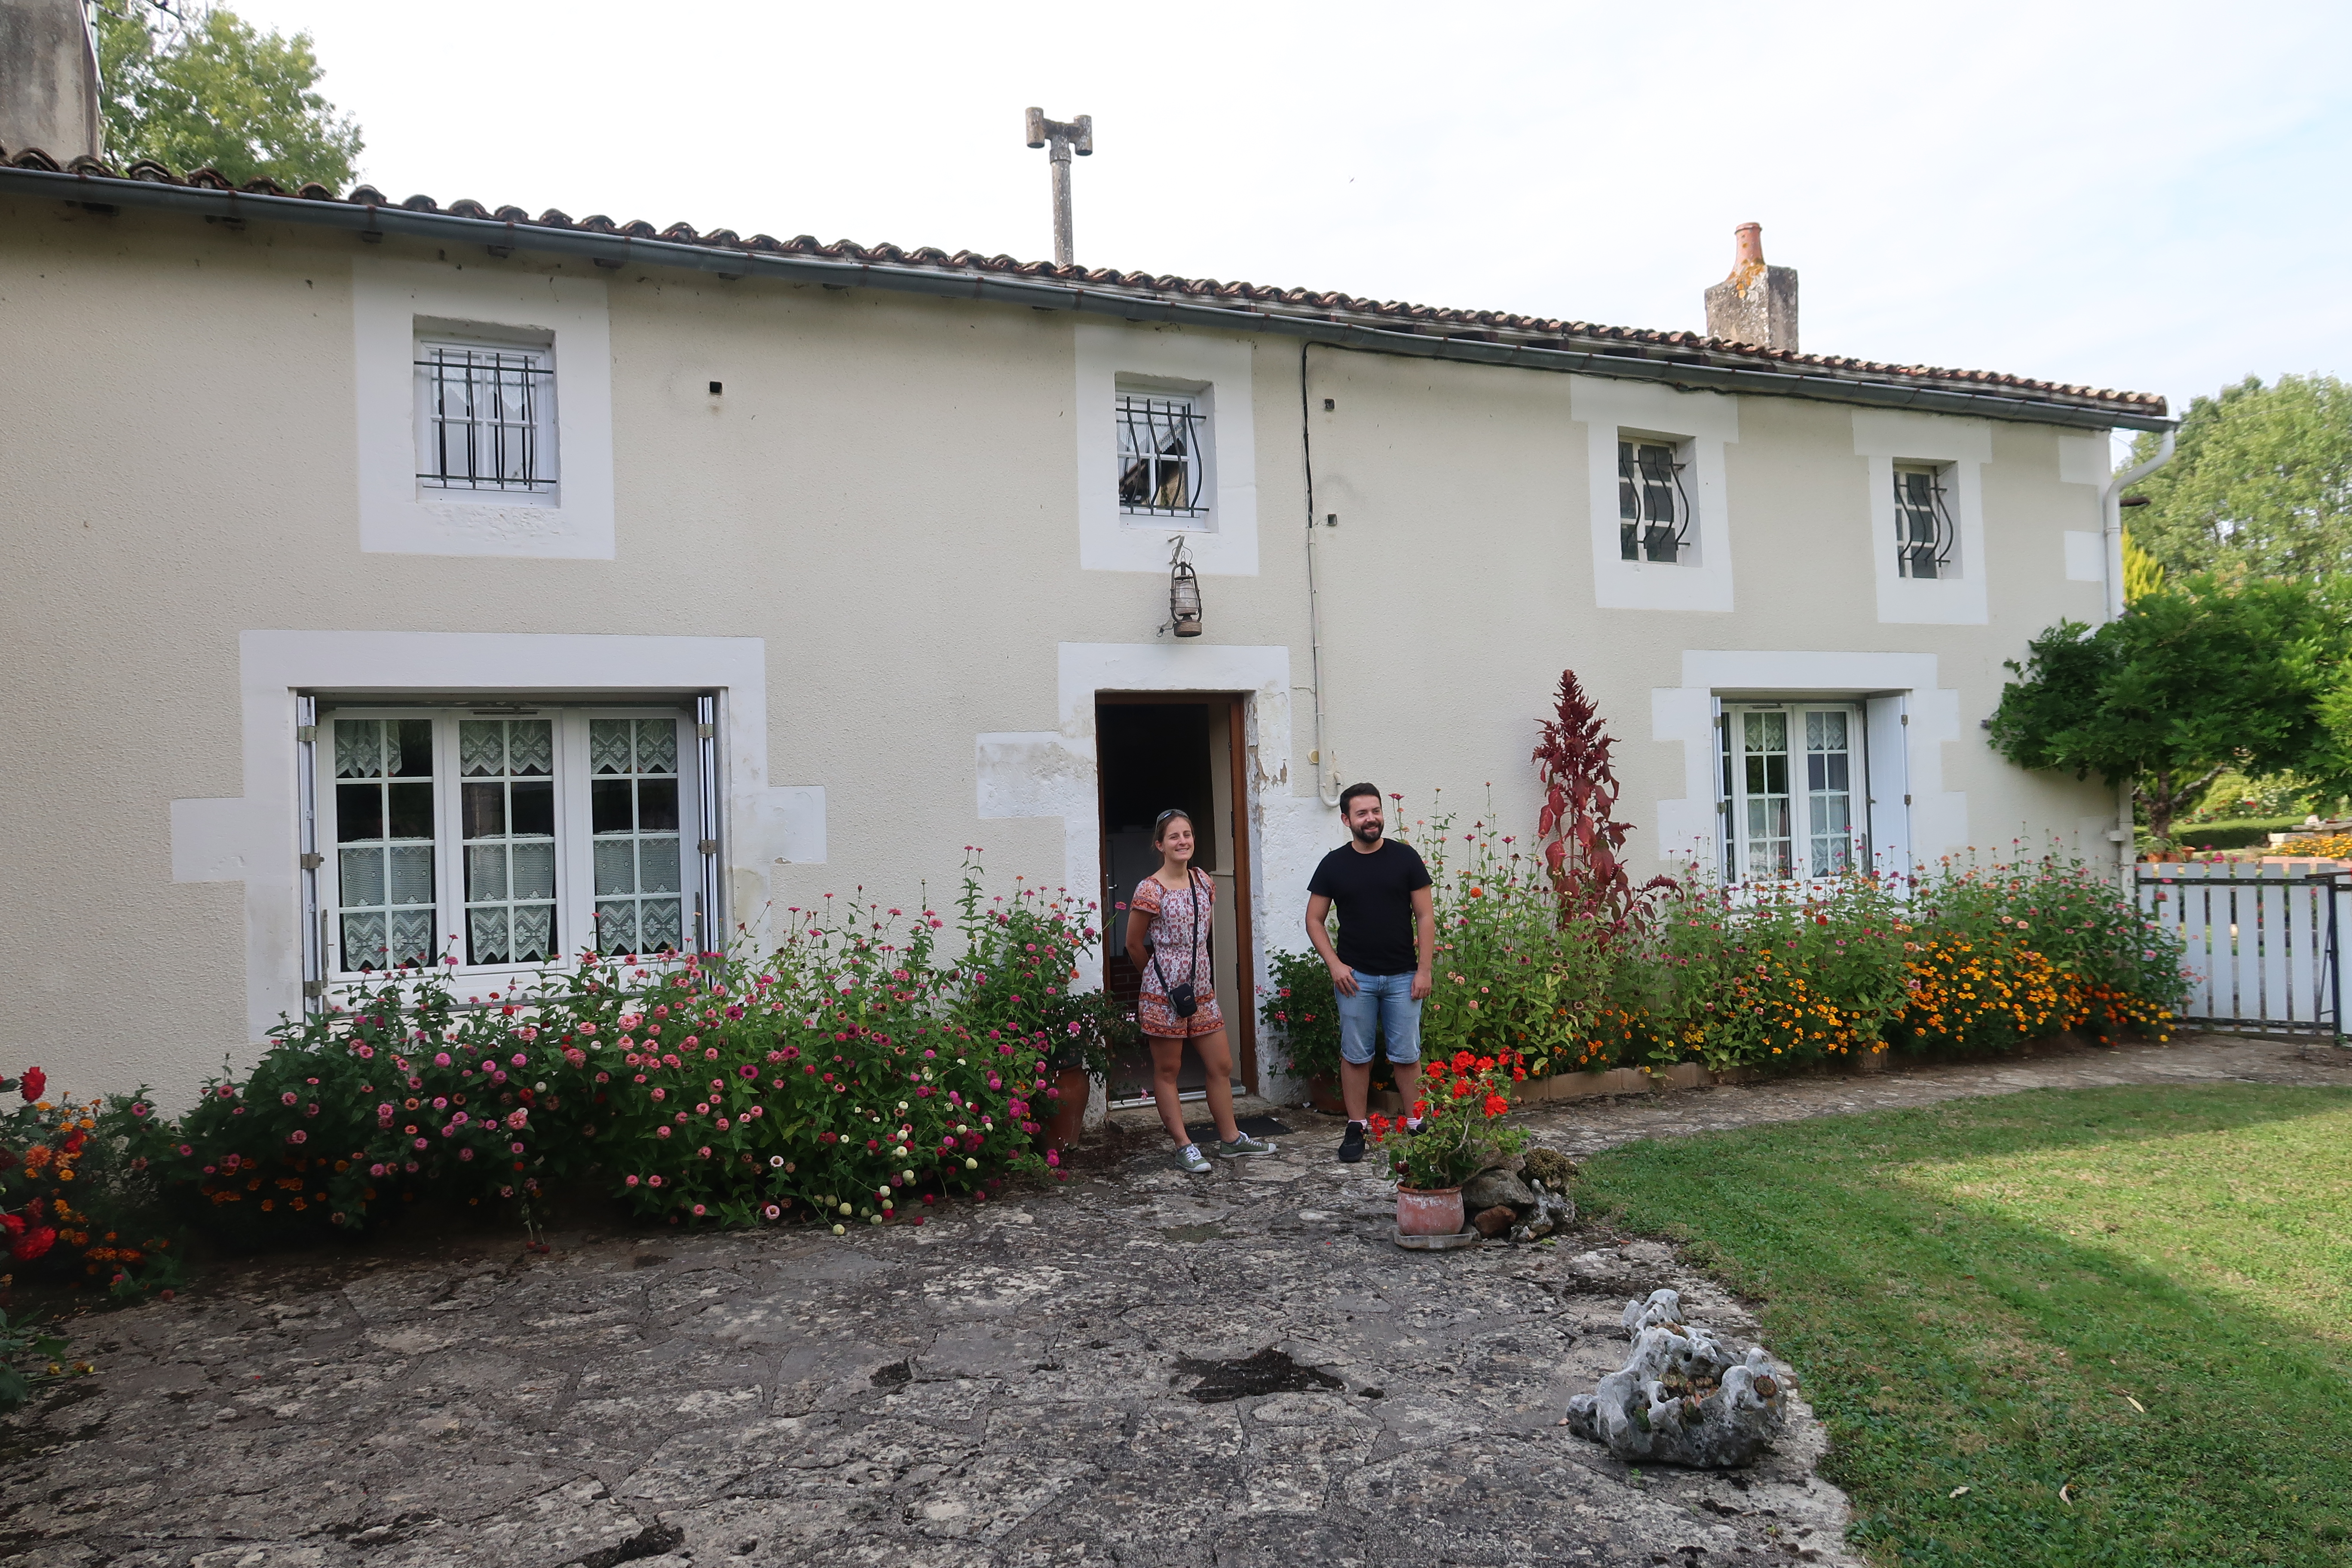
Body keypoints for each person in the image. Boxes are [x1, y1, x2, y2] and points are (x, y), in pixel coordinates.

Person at [1125, 808, 1277, 1173]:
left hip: (1202, 988)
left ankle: (1231, 1139)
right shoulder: (1150, 888)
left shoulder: (1203, 881)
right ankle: (1184, 1145)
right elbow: (1133, 944)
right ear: (1160, 844)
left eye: (1187, 835)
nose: (1183, 842)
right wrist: (1159, 981)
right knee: (1169, 1069)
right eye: (1174, 836)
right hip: (1164, 992)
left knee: (1221, 1064)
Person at [1305, 783, 1435, 1164]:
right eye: (1362, 813)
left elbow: (1425, 916)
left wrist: (1424, 969)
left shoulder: (1406, 859)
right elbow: (1314, 920)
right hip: (1355, 979)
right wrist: (1335, 964)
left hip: (1403, 978)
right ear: (1347, 820)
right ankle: (1357, 1127)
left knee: (1407, 1055)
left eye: (1376, 811)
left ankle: (1417, 1124)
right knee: (1356, 1055)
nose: (1371, 818)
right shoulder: (1334, 864)